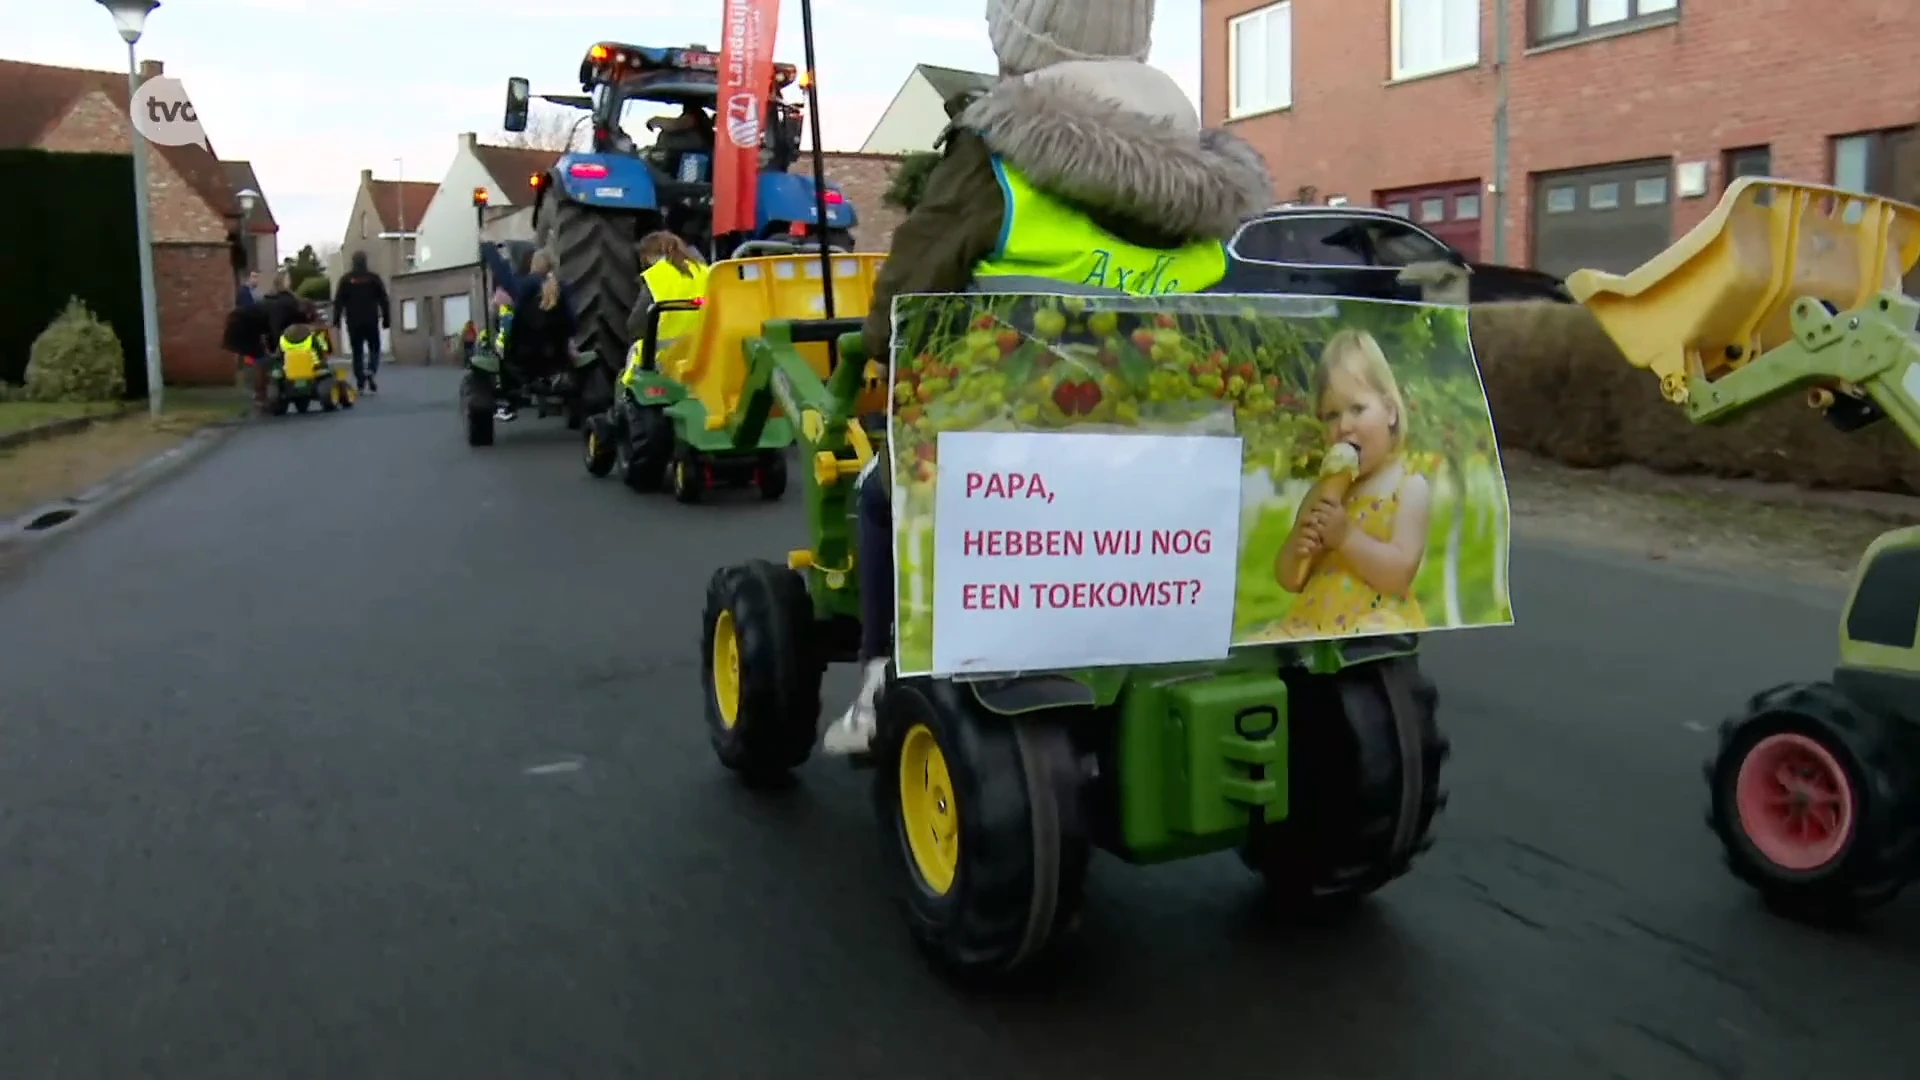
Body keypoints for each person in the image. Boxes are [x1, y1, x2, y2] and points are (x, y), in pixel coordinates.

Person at [819, 0, 1272, 754]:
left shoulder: (995, 156)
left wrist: (876, 347)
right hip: (1182, 443)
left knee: (876, 494)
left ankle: (880, 681)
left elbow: (904, 298)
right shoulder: (1205, 174)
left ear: (1020, 35)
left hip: (1018, 447)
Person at [1272, 329, 1432, 637]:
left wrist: (1345, 537)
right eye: (1331, 415)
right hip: (1314, 621)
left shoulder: (1409, 486)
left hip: (1374, 623)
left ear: (1390, 411)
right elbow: (1289, 578)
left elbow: (1399, 574)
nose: (1343, 426)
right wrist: (1298, 548)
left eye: (1357, 409)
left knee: (1369, 637)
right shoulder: (1323, 491)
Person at [480, 243, 577, 422]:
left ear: (533, 265)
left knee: (499, 348)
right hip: (556, 356)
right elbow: (572, 324)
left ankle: (507, 401)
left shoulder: (522, 286)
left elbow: (502, 274)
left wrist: (488, 249)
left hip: (522, 357)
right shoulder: (564, 289)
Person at [624, 231, 710, 365]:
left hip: (665, 362)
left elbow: (635, 326)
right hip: (704, 358)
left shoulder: (656, 276)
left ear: (648, 255)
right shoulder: (707, 272)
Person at [332, 251, 391, 393]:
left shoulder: (345, 280)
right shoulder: (374, 279)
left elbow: (338, 302)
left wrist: (337, 320)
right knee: (374, 348)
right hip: (371, 319)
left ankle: (360, 379)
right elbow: (384, 300)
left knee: (357, 351)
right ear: (365, 262)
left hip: (353, 321)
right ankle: (371, 370)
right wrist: (386, 319)